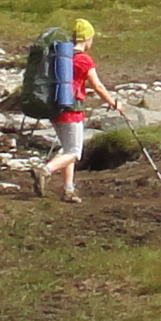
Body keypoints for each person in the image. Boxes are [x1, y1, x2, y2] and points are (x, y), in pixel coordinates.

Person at [37, 17, 121, 201]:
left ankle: (68, 190)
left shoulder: (61, 57)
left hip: (55, 109)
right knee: (75, 152)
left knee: (68, 150)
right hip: (71, 110)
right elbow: (98, 86)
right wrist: (114, 103)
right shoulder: (83, 60)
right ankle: (44, 171)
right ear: (87, 39)